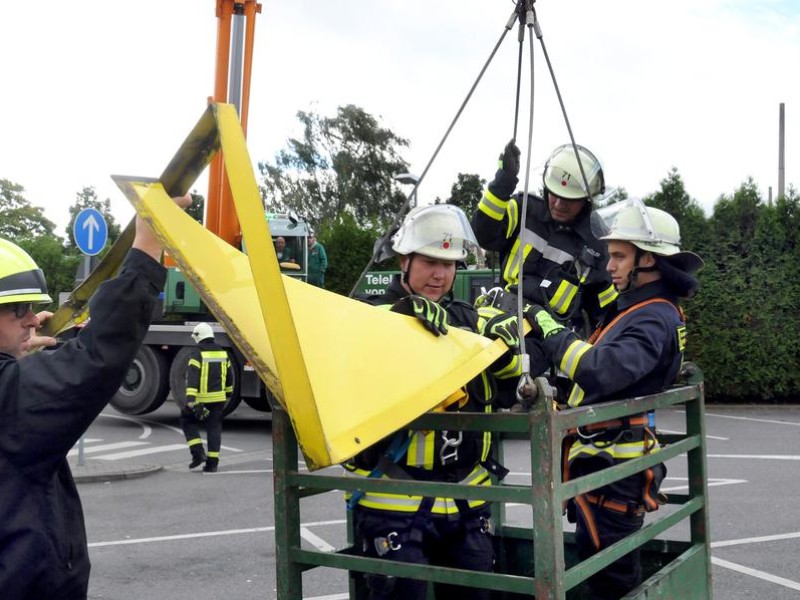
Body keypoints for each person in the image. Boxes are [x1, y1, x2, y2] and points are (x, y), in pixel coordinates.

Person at [0, 194, 189, 599]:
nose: (33, 318)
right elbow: (97, 359)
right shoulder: (9, 396)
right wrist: (146, 248)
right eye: (20, 310)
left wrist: (19, 350)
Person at [525, 201, 703, 599]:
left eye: (620, 256)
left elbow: (603, 370)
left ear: (649, 260)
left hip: (616, 478)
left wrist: (549, 328)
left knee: (612, 582)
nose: (610, 265)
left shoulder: (655, 317)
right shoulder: (640, 308)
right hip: (605, 471)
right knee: (603, 571)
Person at [343, 204, 522, 600]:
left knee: (477, 591)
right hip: (392, 502)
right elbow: (354, 352)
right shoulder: (371, 317)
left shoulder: (464, 319)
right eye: (429, 262)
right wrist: (401, 318)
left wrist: (509, 351)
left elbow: (509, 386)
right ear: (404, 261)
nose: (441, 275)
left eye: (450, 264)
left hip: (465, 500)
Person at [471, 140, 618, 336]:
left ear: (587, 199)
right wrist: (503, 182)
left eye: (568, 199)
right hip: (495, 319)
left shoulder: (598, 247)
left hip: (548, 343)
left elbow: (606, 314)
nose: (558, 204)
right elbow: (483, 235)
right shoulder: (523, 210)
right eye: (554, 194)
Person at [180, 321, 233, 473]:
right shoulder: (223, 353)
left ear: (199, 336)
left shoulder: (197, 354)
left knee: (187, 421)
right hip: (219, 400)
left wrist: (191, 400)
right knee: (214, 428)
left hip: (202, 401)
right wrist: (228, 393)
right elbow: (229, 377)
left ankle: (198, 454)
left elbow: (193, 378)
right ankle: (212, 463)